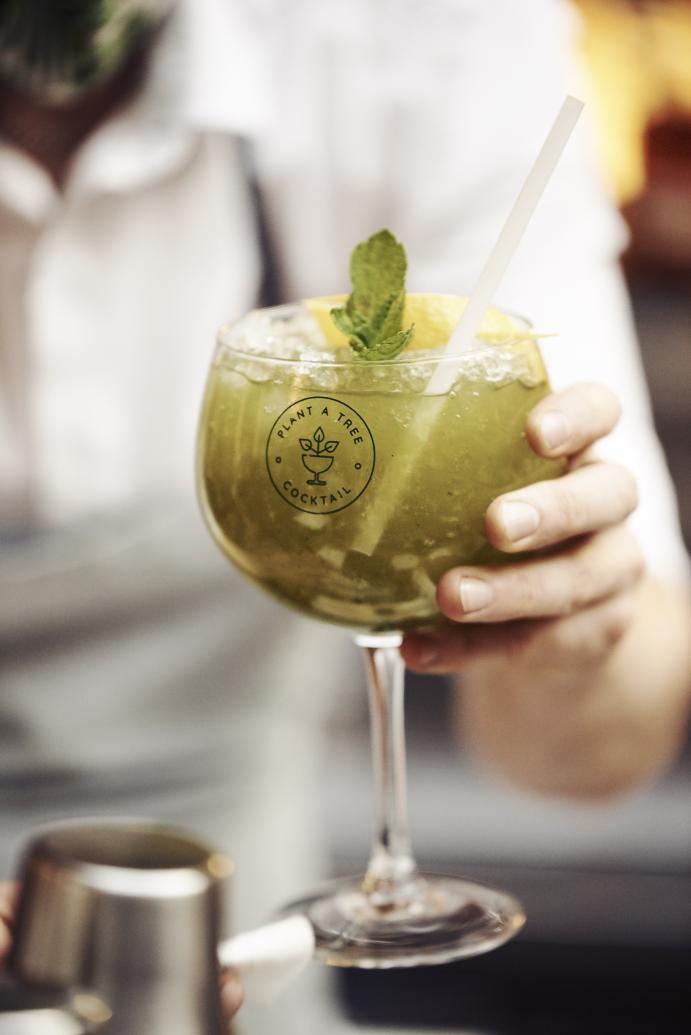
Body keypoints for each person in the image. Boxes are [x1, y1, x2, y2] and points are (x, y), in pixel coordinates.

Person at [1, 0, 689, 1031]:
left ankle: (388, 868)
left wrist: (572, 631)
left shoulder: (427, 35)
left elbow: (588, 764)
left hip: (245, 964)